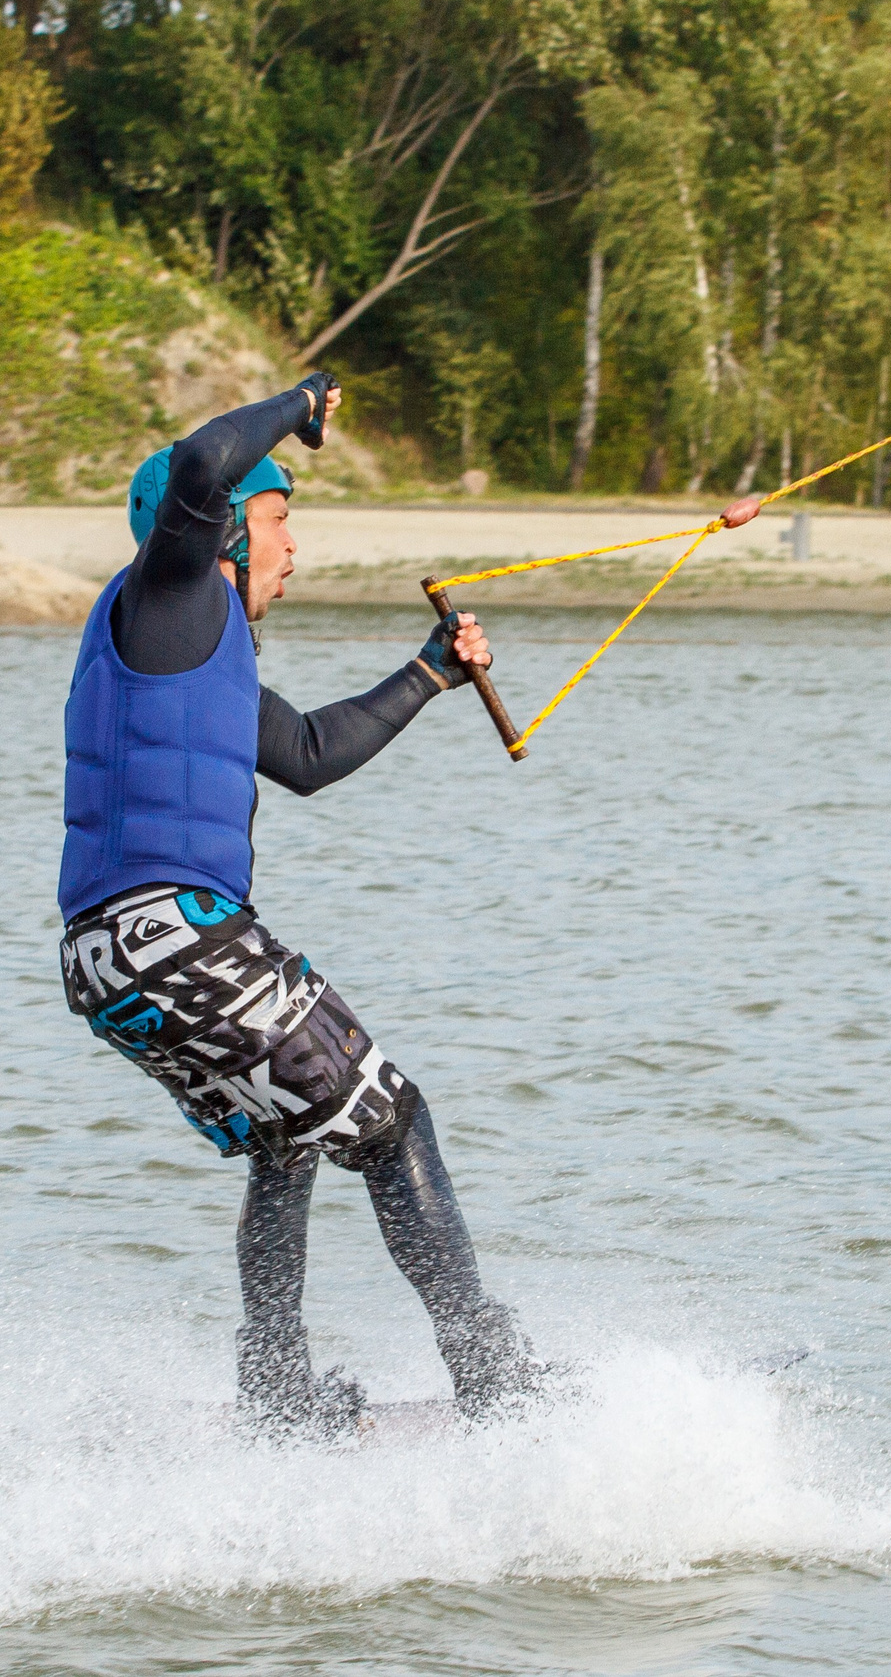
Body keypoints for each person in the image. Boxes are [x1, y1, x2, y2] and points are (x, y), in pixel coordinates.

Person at [56, 375, 543, 1441]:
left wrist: (427, 675)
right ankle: (496, 1380)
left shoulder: (183, 657)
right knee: (391, 1114)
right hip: (174, 932)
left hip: (105, 960)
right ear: (221, 533)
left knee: (290, 1139)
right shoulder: (174, 589)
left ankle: (275, 1395)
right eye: (279, 522)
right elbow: (196, 464)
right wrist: (298, 402)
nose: (292, 549)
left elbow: (311, 756)